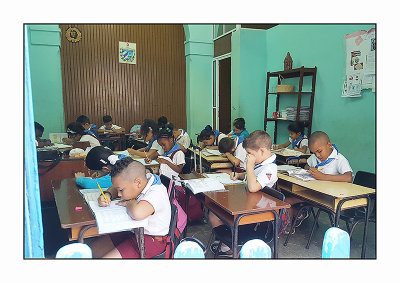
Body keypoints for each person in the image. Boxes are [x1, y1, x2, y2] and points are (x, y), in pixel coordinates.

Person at [210, 130, 279, 255]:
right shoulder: (261, 163)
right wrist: (239, 175)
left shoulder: (270, 169)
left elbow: (253, 187)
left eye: (250, 153)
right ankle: (228, 243)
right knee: (214, 212)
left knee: (216, 215)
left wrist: (249, 165)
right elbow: (250, 177)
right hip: (248, 202)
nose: (247, 156)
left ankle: (231, 247)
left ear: (262, 151)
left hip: (256, 213)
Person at [89, 158, 171, 258]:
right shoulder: (140, 182)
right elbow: (115, 188)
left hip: (151, 240)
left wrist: (129, 203)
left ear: (138, 183)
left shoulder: (156, 192)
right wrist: (108, 194)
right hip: (132, 231)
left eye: (121, 190)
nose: (119, 194)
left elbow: (137, 213)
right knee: (91, 252)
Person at [283, 131, 353, 233]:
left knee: (287, 201)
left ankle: (290, 224)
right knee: (284, 197)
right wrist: (309, 170)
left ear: (329, 145)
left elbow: (348, 177)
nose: (318, 155)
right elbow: (307, 165)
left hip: (329, 197)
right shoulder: (315, 158)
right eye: (314, 152)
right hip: (313, 192)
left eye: (319, 151)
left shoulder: (339, 159)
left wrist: (323, 176)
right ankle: (299, 214)